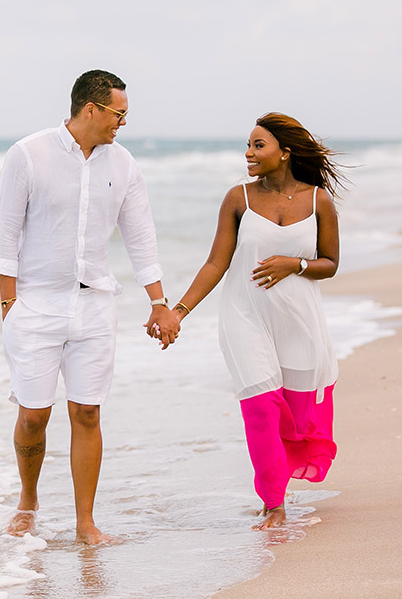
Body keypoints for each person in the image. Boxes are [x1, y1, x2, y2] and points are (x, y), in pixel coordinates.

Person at [0, 69, 180, 544]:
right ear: (90, 109)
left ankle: (85, 523)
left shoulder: (125, 165)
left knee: (88, 413)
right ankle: (28, 501)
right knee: (34, 414)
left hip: (95, 305)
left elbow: (141, 237)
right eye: (119, 115)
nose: (122, 124)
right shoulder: (29, 154)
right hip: (35, 303)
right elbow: (5, 231)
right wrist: (10, 300)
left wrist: (158, 302)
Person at [171, 112, 346, 529]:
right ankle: (273, 503)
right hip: (244, 315)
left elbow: (331, 263)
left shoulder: (318, 199)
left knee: (298, 416)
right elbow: (216, 262)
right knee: (263, 407)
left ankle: (279, 484)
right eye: (248, 145)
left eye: (258, 145)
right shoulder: (239, 199)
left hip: (299, 320)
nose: (248, 153)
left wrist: (294, 263)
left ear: (285, 153)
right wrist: (179, 311)